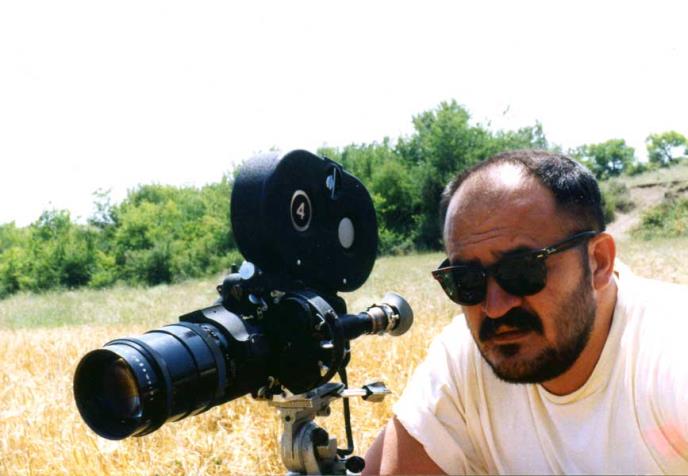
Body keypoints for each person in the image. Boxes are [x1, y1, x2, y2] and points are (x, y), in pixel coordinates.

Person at [363, 150, 688, 475]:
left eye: (522, 271)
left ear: (598, 262)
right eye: (466, 281)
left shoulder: (671, 347)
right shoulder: (462, 360)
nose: (494, 307)